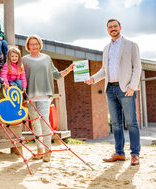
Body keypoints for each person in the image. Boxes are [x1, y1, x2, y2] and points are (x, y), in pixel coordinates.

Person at [85, 19, 141, 166]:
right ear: (107, 30)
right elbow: (105, 70)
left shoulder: (131, 45)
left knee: (131, 123)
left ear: (120, 27)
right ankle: (119, 153)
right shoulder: (106, 48)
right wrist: (93, 78)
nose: (113, 29)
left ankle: (135, 154)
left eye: (115, 26)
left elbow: (137, 67)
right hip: (110, 89)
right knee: (115, 123)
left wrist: (132, 86)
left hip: (126, 89)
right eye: (110, 27)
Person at [22, 35, 74, 162]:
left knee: (45, 123)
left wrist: (69, 69)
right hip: (30, 97)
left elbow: (56, 75)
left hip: (45, 97)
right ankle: (39, 150)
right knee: (35, 124)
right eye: (31, 44)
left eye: (36, 44)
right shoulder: (24, 60)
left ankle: (48, 151)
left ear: (40, 45)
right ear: (28, 46)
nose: (34, 46)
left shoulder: (47, 59)